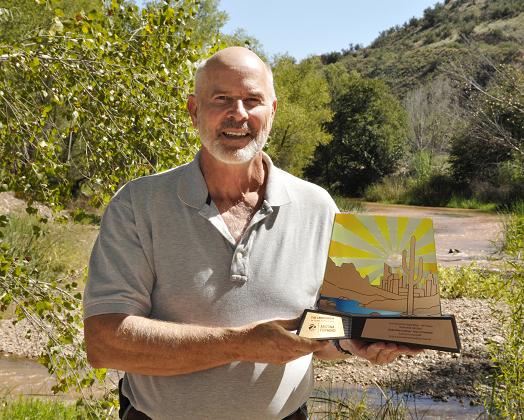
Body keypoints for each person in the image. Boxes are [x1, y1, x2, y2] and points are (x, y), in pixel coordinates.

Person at [83, 47, 420, 420]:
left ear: (272, 112)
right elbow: (105, 343)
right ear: (194, 110)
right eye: (222, 99)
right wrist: (241, 344)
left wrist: (354, 344)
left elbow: (323, 336)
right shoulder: (138, 203)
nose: (238, 113)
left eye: (252, 100)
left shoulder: (318, 206)